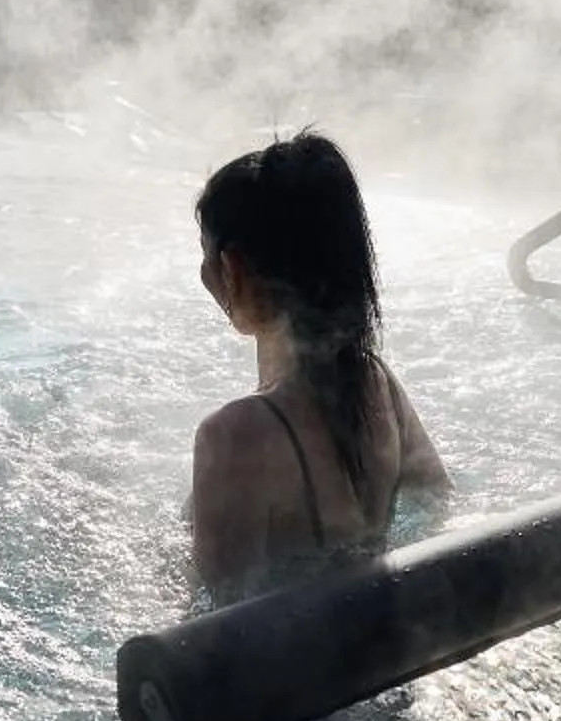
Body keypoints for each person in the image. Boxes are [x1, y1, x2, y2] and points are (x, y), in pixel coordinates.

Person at [188, 131, 449, 594]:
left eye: (204, 254)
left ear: (233, 269)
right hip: (383, 647)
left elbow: (214, 626)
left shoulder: (234, 437)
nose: (201, 273)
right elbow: (436, 501)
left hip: (292, 665)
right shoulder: (379, 386)